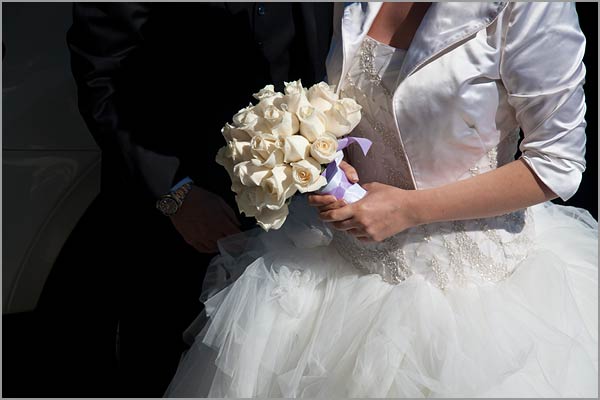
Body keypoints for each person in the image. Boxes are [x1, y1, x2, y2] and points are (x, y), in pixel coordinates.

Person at [165, 2, 597, 397]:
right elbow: (363, 108)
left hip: (474, 294)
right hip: (341, 274)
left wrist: (408, 209)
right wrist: (333, 159)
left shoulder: (531, 7)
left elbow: (556, 165)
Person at [65, 3, 333, 396]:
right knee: (166, 368)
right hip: (181, 217)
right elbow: (100, 80)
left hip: (298, 217)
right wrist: (177, 194)